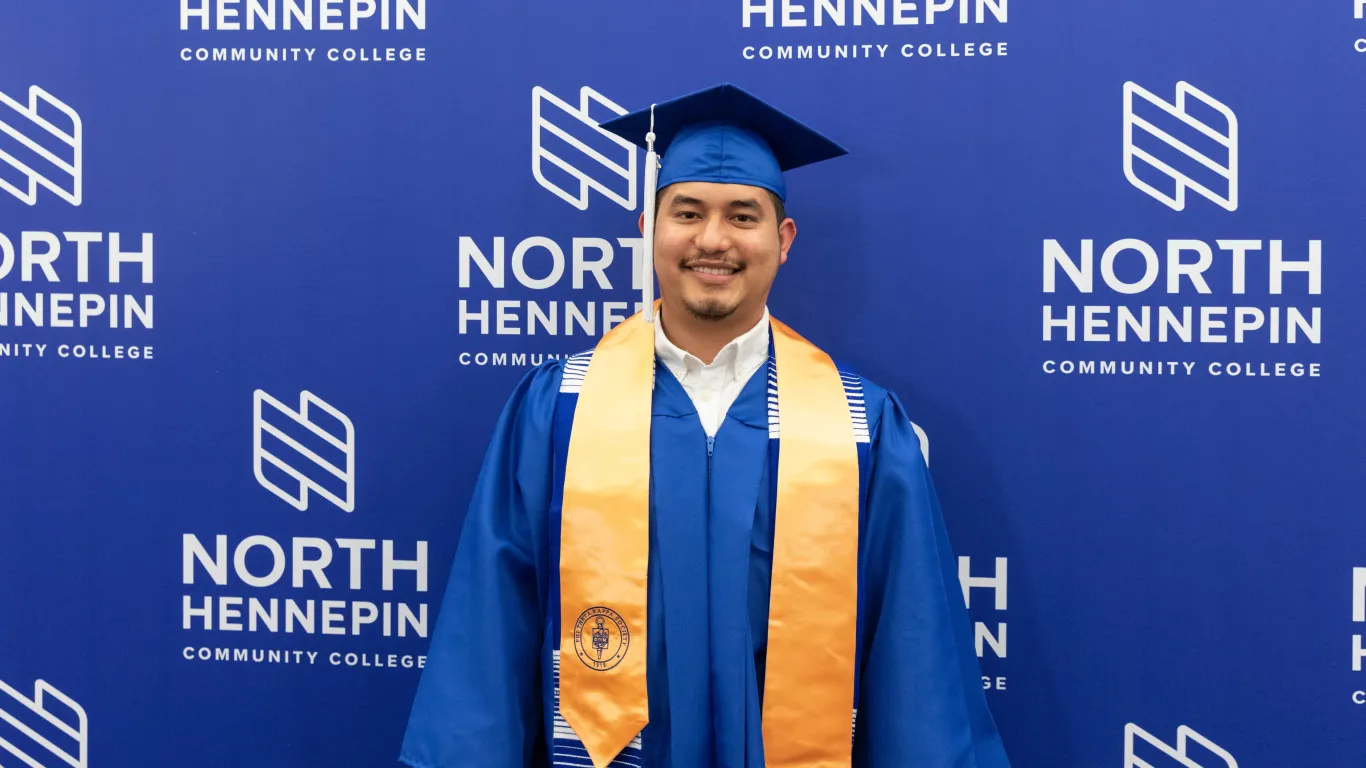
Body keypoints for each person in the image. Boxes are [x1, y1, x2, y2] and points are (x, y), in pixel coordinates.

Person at [399, 83, 1010, 768]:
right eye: (687, 212)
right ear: (647, 228)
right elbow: (489, 633)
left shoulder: (859, 425)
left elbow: (913, 651)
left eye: (742, 216)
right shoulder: (556, 409)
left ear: (783, 241)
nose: (712, 240)